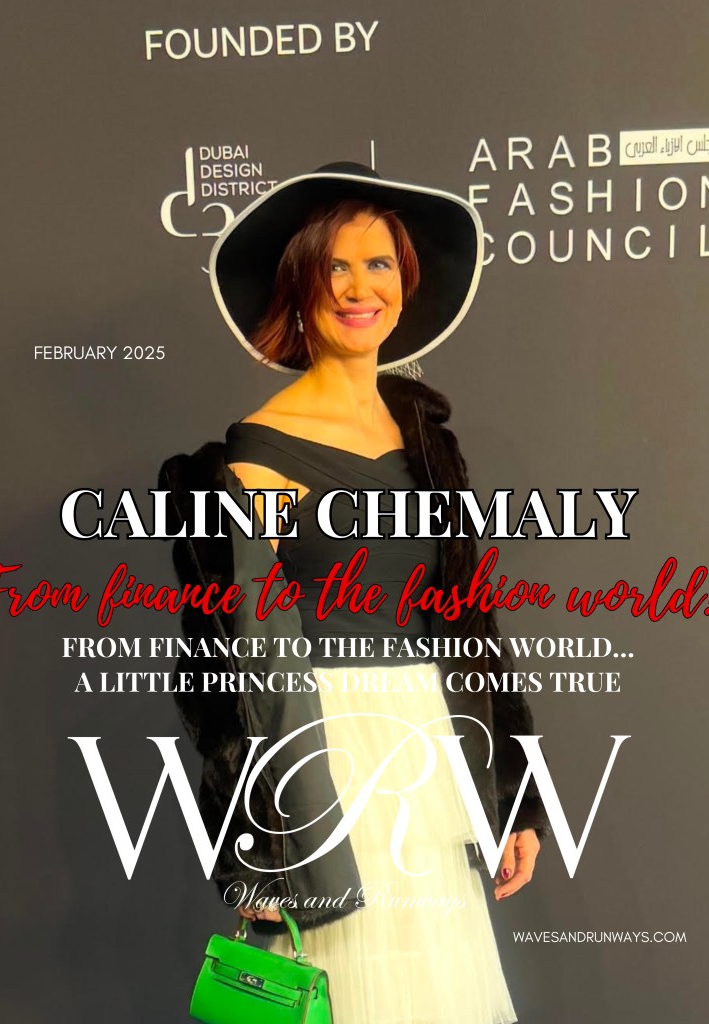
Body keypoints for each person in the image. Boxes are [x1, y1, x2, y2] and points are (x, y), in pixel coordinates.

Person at [160, 162, 548, 1024]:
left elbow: (468, 619)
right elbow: (235, 667)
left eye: (378, 264)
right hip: (326, 763)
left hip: (432, 754)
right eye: (334, 266)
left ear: (404, 284)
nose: (358, 288)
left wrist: (514, 794)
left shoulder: (424, 438)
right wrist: (257, 845)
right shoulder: (254, 452)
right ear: (300, 287)